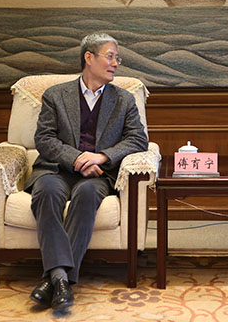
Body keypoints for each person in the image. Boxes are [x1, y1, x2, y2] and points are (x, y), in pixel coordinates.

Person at [25, 32, 148, 310]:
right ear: (89, 58)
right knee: (46, 192)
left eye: (117, 58)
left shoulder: (124, 99)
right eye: (110, 56)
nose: (115, 63)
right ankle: (61, 279)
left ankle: (53, 279)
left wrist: (101, 157)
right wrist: (77, 158)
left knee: (87, 195)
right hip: (56, 170)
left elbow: (138, 139)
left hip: (97, 175)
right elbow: (44, 139)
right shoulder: (56, 95)